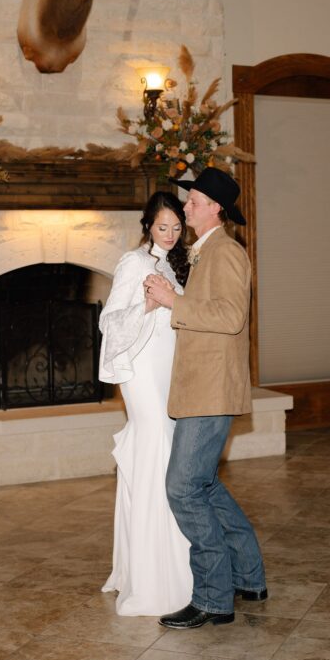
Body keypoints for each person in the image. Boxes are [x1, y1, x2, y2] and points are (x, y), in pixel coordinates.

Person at [144, 167, 267, 629]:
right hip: (203, 389)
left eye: (193, 200)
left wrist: (174, 301)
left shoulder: (226, 252)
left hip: (210, 391)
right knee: (204, 485)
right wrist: (174, 297)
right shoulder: (206, 252)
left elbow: (231, 316)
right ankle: (249, 576)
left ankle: (214, 598)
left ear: (215, 207)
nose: (186, 206)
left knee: (183, 488)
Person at [98, 191, 192, 616]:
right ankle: (155, 579)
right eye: (162, 227)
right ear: (147, 226)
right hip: (139, 371)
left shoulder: (179, 263)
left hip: (168, 369)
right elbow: (110, 321)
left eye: (176, 227)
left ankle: (159, 564)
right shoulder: (132, 263)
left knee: (166, 455)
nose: (170, 235)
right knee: (156, 452)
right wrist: (149, 304)